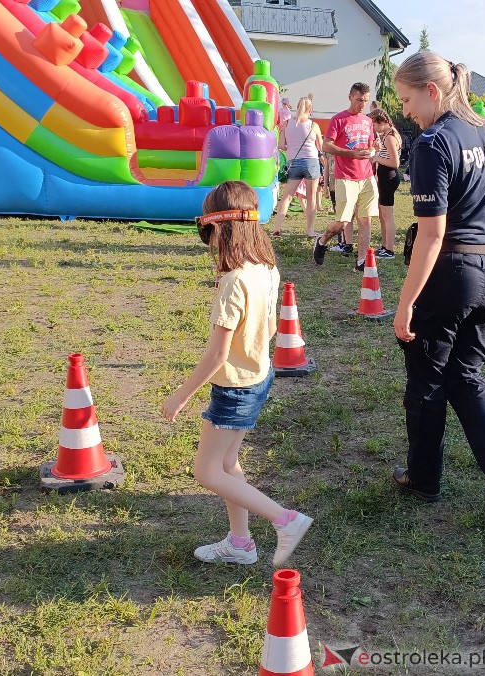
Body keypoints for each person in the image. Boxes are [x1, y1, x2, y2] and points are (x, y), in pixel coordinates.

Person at [390, 51, 485, 524]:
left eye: (407, 99)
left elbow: (432, 233)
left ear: (432, 91)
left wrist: (404, 305)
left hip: (451, 272)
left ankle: (423, 479)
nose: (405, 111)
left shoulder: (433, 143)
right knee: (467, 375)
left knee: (426, 379)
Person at [162, 181, 313, 566]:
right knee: (228, 465)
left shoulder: (233, 282)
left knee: (207, 471)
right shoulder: (266, 267)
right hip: (259, 377)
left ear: (218, 228)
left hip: (235, 388)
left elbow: (216, 355)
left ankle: (286, 520)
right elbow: (270, 328)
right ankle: (241, 544)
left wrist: (180, 396)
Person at [313, 83, 378, 269]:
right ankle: (322, 240)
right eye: (359, 100)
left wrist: (373, 150)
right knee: (342, 222)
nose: (362, 104)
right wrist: (351, 154)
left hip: (366, 175)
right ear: (350, 97)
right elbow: (326, 146)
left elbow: (370, 144)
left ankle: (362, 261)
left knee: (365, 219)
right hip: (346, 177)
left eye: (365, 101)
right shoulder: (339, 119)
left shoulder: (367, 121)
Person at [270, 95, 322, 237]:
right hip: (311, 162)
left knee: (287, 196)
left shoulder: (287, 124)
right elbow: (320, 147)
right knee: (311, 198)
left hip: (293, 162)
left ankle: (277, 227)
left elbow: (281, 145)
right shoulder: (314, 125)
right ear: (310, 109)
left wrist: (291, 148)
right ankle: (310, 230)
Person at [369, 108, 401, 259]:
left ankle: (389, 250)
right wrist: (378, 151)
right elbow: (385, 153)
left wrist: (376, 159)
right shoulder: (386, 135)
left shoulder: (390, 137)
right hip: (384, 177)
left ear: (382, 122)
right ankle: (384, 245)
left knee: (388, 216)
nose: (373, 129)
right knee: (383, 214)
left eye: (374, 125)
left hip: (389, 177)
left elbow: (395, 162)